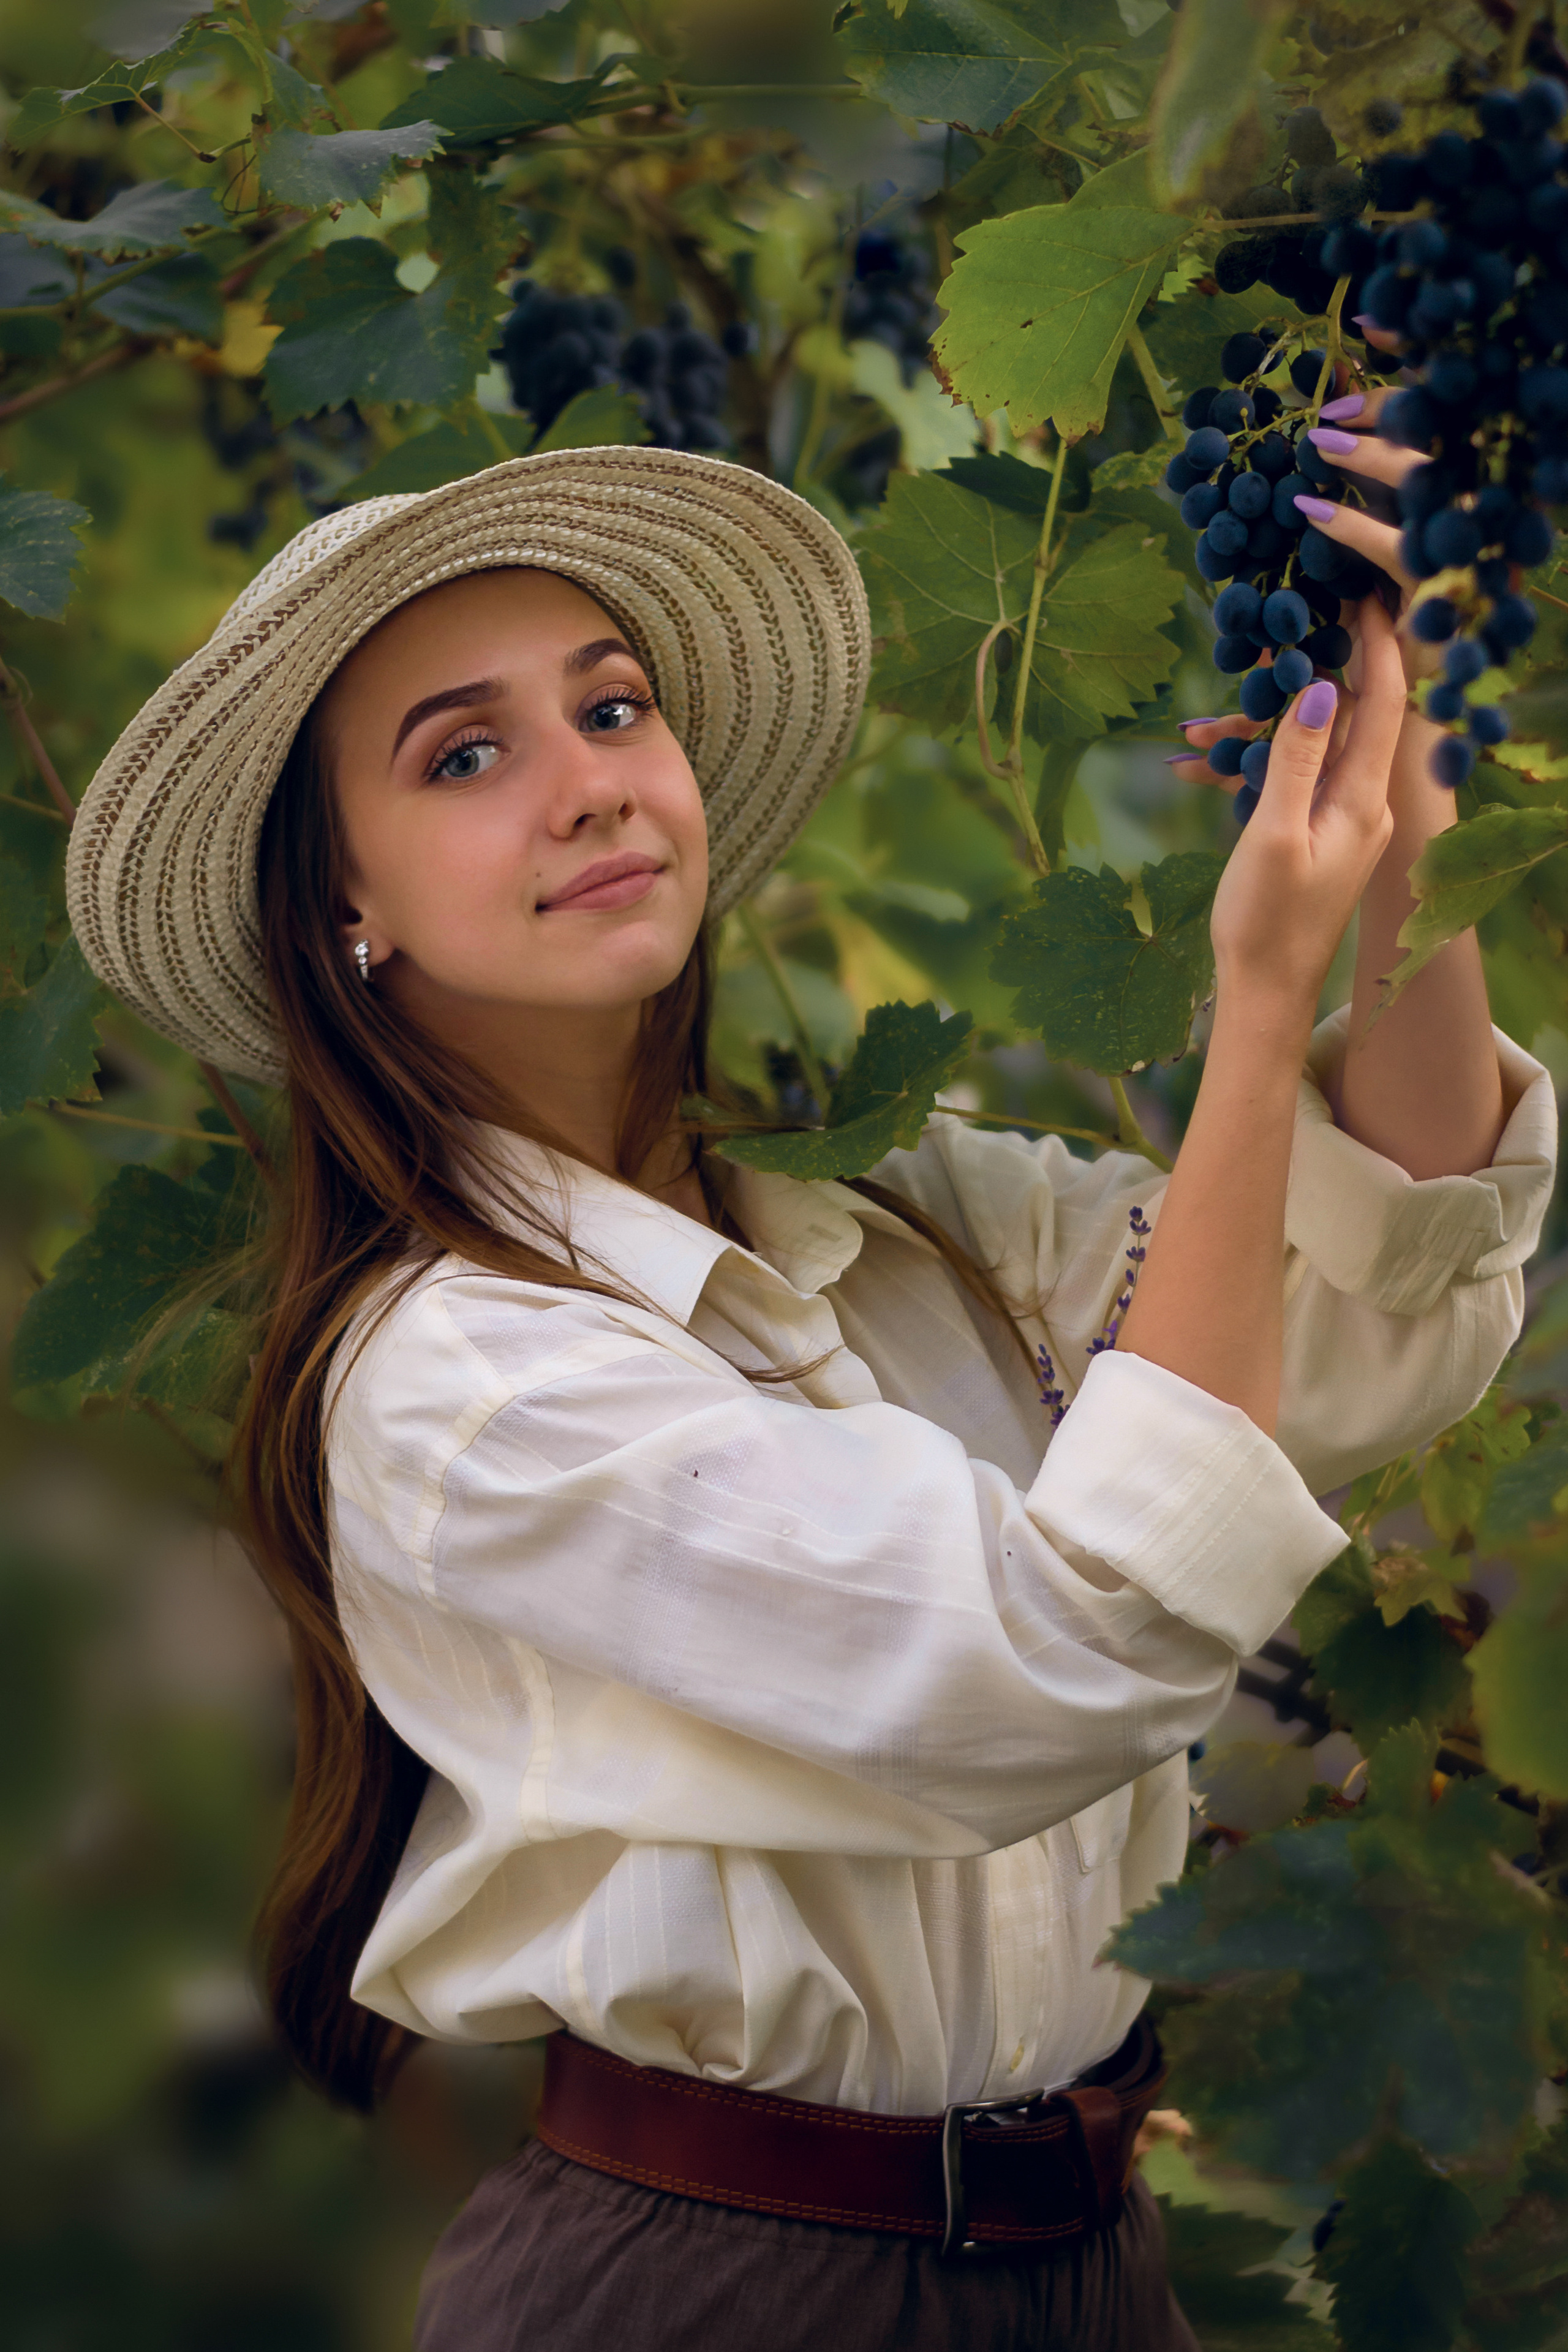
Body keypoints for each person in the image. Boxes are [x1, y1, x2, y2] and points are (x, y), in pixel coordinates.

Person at [66, 437, 1556, 2352]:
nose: (591, 776)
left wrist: (1399, 795)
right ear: (343, 911)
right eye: (464, 755)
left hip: (1093, 2271)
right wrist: (1254, 1007)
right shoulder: (452, 1385)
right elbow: (1055, 1655)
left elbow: (1374, 1309)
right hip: (722, 2290)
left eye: (613, 706)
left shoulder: (904, 1210)